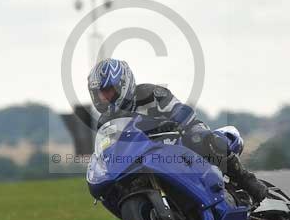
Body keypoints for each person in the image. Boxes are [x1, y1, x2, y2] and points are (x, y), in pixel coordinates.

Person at [87, 58, 269, 203]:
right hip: (143, 158)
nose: (105, 97)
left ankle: (246, 180)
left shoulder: (151, 93)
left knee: (200, 138)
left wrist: (170, 122)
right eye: (100, 94)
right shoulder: (105, 120)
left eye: (108, 91)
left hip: (178, 139)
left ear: (123, 83)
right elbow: (108, 146)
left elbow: (183, 113)